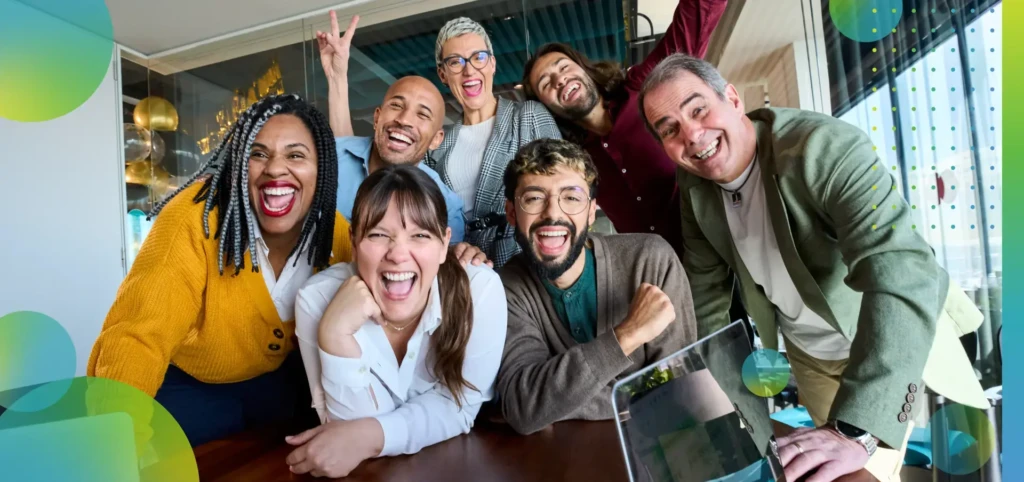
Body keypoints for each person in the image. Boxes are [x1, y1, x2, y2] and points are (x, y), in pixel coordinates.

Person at [638, 53, 990, 481]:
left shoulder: (825, 147)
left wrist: (855, 431)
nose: (692, 135)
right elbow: (709, 310)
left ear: (731, 97)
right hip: (810, 353)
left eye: (698, 109)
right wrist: (745, 428)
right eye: (670, 129)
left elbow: (898, 269)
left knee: (962, 464)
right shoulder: (694, 186)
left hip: (890, 332)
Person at [88, 94, 354, 447]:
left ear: (321, 170)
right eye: (257, 154)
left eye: (295, 155)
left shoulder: (333, 232)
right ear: (236, 165)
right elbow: (137, 338)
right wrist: (113, 446)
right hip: (191, 388)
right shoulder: (193, 219)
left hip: (283, 389)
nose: (275, 168)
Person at [287, 165, 507, 478]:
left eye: (419, 235)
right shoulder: (317, 300)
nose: (398, 254)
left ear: (445, 244)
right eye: (378, 234)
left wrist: (370, 436)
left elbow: (460, 408)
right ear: (353, 241)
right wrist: (334, 334)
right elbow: (346, 428)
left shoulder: (479, 292)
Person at [495, 138, 698, 434]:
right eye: (534, 198)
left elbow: (680, 391)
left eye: (572, 198)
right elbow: (524, 407)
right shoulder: (507, 287)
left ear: (591, 213)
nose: (553, 213)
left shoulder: (650, 260)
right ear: (512, 213)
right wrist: (627, 336)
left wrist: (555, 400)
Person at [521, 0, 728, 255]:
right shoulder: (573, 161)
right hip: (656, 270)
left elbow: (694, 22)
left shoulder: (642, 87)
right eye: (545, 83)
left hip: (719, 249)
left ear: (583, 68)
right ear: (546, 106)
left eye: (564, 67)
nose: (559, 79)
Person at [315, 12, 489, 265]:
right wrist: (336, 77)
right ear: (377, 118)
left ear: (436, 140)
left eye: (422, 114)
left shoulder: (445, 206)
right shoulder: (325, 162)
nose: (405, 120)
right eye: (397, 105)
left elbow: (444, 277)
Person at [425, 17, 562, 268]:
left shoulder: (528, 116)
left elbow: (562, 187)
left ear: (492, 64)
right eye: (456, 62)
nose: (469, 70)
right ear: (443, 74)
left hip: (525, 263)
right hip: (464, 272)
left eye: (479, 57)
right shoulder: (437, 142)